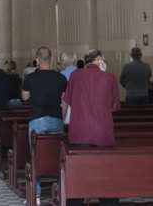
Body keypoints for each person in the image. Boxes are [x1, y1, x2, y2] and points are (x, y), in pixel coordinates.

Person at [63, 50, 120, 206]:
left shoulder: (75, 76)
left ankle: (75, 201)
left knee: (78, 176)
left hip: (79, 132)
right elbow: (114, 106)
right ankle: (108, 202)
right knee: (105, 175)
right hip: (103, 134)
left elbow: (67, 100)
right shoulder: (110, 77)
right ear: (100, 61)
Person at [21, 47, 67, 202]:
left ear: (37, 60)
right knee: (59, 156)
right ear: (52, 59)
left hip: (37, 118)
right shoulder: (61, 78)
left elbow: (25, 97)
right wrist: (63, 116)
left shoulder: (31, 78)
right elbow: (65, 100)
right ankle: (60, 191)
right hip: (56, 118)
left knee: (36, 155)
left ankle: (36, 195)